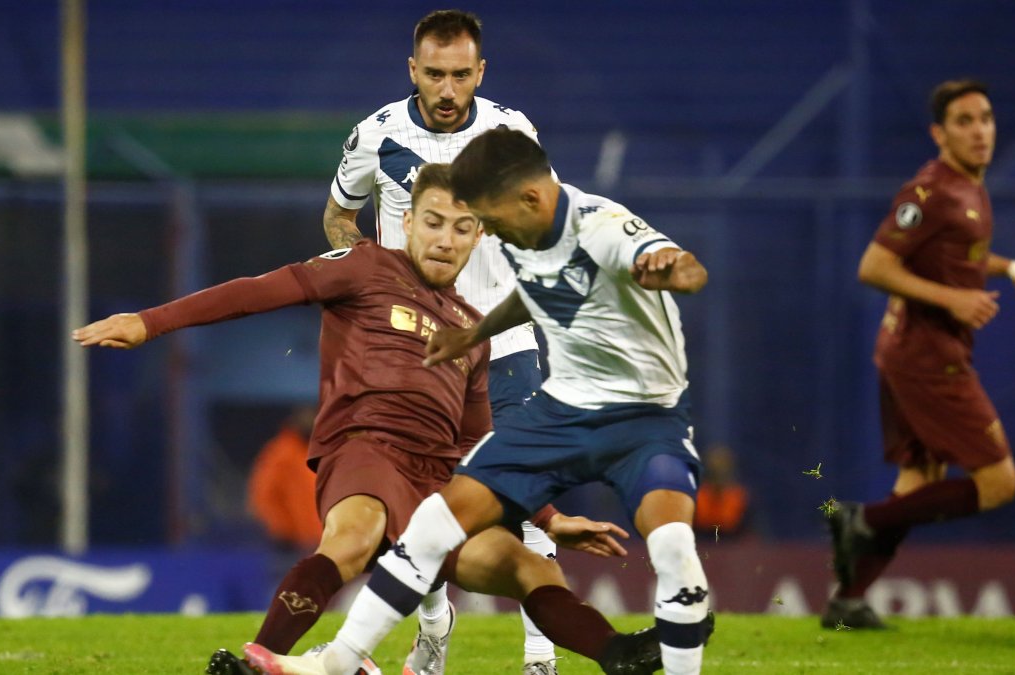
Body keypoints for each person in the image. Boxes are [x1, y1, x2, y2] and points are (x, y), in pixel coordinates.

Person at [73, 164, 664, 675]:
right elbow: (259, 291)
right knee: (354, 536)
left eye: (462, 228)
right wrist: (150, 323)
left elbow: (481, 447)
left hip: (434, 482)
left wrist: (552, 520)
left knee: (523, 564)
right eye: (433, 221)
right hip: (365, 448)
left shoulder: (472, 332)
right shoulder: (362, 266)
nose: (445, 239)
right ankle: (262, 658)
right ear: (407, 222)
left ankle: (616, 654)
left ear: (478, 236)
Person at [246, 128, 714, 675]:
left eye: (485, 221)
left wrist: (671, 270)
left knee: (672, 549)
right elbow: (534, 297)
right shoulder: (525, 242)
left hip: (644, 420)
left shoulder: (603, 227)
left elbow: (681, 263)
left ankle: (605, 652)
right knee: (434, 527)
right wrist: (471, 335)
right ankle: (341, 663)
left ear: (529, 198)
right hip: (563, 412)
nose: (485, 234)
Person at [322, 10, 556, 672]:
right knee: (417, 505)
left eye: (461, 75)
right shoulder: (377, 135)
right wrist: (367, 273)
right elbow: (338, 213)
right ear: (412, 71)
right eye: (435, 75)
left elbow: (550, 220)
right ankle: (433, 621)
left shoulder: (513, 134)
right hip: (413, 349)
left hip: (503, 345)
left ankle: (540, 657)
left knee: (529, 492)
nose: (448, 90)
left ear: (481, 72)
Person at [822, 79, 1015, 629]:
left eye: (985, 118)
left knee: (920, 482)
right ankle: (862, 519)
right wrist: (954, 299)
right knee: (1001, 482)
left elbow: (959, 252)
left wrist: (1012, 268)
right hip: (925, 356)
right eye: (964, 121)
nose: (979, 131)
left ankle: (848, 601)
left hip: (914, 350)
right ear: (939, 133)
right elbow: (873, 267)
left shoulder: (969, 187)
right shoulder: (929, 191)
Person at [249, 406, 323, 551]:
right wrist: (282, 529)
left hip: (316, 540)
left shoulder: (315, 452)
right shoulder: (281, 452)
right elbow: (263, 495)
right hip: (289, 542)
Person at [691, 444, 751, 541]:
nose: (719, 470)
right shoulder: (696, 496)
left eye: (723, 466)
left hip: (733, 548)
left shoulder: (740, 497)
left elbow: (749, 533)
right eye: (715, 468)